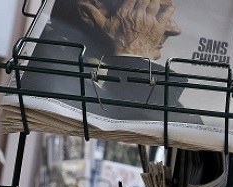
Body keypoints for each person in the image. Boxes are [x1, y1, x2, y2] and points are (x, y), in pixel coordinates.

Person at [24, 0, 202, 124]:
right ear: (90, 10)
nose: (174, 29)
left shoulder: (84, 61)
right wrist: (134, 56)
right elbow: (127, 127)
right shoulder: (51, 73)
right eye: (157, 11)